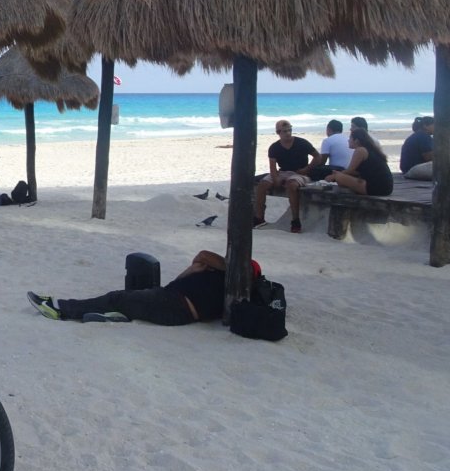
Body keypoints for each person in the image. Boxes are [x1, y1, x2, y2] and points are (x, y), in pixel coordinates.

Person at [29, 251, 259, 325]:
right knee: (127, 299)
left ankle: (59, 309)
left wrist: (218, 265)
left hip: (176, 305)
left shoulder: (236, 279)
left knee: (117, 297)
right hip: (171, 298)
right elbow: (187, 272)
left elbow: (203, 255)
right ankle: (115, 316)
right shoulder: (218, 277)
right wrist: (192, 270)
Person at [253, 119, 318, 233]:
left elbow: (317, 157)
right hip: (282, 172)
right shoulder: (274, 147)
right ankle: (259, 217)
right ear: (278, 133)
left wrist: (307, 169)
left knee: (291, 185)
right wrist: (275, 178)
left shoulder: (302, 143)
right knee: (262, 185)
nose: (288, 133)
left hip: (299, 172)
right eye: (285, 131)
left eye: (289, 130)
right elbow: (272, 166)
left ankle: (295, 220)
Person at [329, 128, 394, 197]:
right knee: (342, 176)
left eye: (350, 138)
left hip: (376, 187)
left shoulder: (360, 150)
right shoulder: (370, 149)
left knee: (339, 177)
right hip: (386, 188)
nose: (348, 140)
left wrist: (334, 176)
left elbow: (350, 170)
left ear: (356, 141)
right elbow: (358, 172)